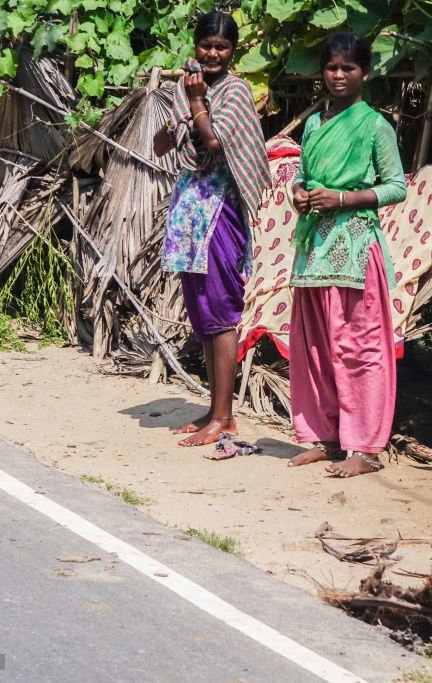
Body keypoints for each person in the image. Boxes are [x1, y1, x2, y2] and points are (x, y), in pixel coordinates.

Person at [285, 32, 406, 477]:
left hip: (354, 246)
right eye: (332, 68)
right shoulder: (315, 123)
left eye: (348, 68)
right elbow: (302, 173)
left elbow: (396, 187)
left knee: (360, 344)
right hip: (314, 246)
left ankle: (364, 448)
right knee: (314, 344)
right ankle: (323, 436)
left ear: (365, 74)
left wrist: (341, 199)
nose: (338, 76)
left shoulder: (375, 125)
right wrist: (298, 192)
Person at [152, 11, 270, 449]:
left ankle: (226, 417)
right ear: (196, 45)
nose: (214, 53)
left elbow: (217, 143)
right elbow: (162, 145)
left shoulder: (236, 91)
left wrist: (198, 102)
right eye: (207, 45)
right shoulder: (186, 90)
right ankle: (212, 408)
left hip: (222, 210)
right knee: (202, 311)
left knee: (221, 311)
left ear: (232, 51)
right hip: (191, 212)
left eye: (222, 47)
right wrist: (181, 106)